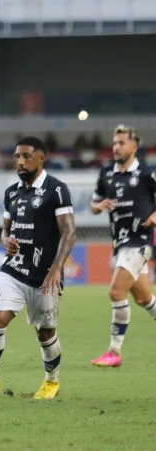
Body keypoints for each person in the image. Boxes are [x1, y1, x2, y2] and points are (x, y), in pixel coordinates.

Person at [0, 136, 76, 401]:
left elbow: (70, 232)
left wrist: (55, 269)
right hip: (14, 269)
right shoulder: (12, 193)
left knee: (45, 333)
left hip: (45, 275)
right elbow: (5, 231)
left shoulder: (56, 189)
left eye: (26, 156)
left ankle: (51, 382)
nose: (20, 161)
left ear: (41, 158)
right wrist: (6, 241)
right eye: (17, 156)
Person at [90, 125, 156, 368]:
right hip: (119, 244)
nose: (116, 147)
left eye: (121, 143)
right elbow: (93, 204)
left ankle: (114, 352)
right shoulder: (106, 175)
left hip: (139, 243)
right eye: (114, 143)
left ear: (134, 147)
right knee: (144, 299)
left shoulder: (147, 175)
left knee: (116, 292)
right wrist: (99, 206)